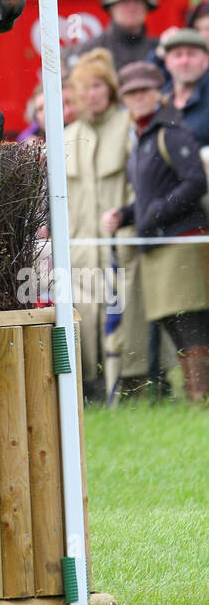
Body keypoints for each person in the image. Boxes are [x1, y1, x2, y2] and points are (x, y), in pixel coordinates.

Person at [101, 61, 209, 403]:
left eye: (144, 91)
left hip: (181, 243)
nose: (138, 98)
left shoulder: (172, 132)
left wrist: (158, 210)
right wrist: (126, 214)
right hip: (158, 246)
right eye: (131, 93)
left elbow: (196, 181)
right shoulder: (142, 137)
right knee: (176, 326)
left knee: (190, 325)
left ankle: (201, 400)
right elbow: (149, 196)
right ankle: (198, 398)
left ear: (157, 93)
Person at [64, 51, 147, 400]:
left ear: (110, 89)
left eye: (97, 86)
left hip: (120, 246)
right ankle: (89, 392)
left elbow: (139, 186)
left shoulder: (128, 127)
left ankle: (134, 390)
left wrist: (126, 229)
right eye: (84, 88)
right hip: (80, 250)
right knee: (85, 319)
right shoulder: (67, 136)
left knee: (127, 321)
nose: (91, 94)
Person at [71, 0, 159, 71]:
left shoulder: (159, 50)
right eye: (125, 1)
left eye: (137, 1)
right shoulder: (90, 50)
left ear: (146, 8)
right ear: (112, 8)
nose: (132, 7)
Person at [157, 28, 209, 148]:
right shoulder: (159, 100)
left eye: (191, 54)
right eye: (177, 55)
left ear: (206, 60)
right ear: (167, 63)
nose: (184, 61)